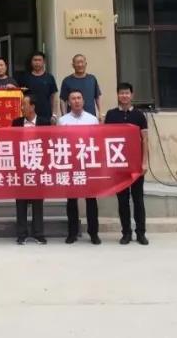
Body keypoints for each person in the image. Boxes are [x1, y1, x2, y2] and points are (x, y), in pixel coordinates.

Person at [104, 82, 150, 246]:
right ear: (117, 95)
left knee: (138, 200)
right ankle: (126, 233)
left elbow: (145, 140)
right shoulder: (111, 115)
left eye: (127, 93)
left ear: (132, 95)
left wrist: (144, 162)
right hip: (119, 165)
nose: (124, 96)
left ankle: (141, 233)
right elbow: (105, 139)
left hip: (136, 165)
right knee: (122, 200)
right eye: (121, 93)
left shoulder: (139, 115)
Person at [59, 90, 101, 245]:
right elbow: (59, 142)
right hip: (71, 164)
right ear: (68, 103)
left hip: (88, 163)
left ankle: (93, 233)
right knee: (71, 200)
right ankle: (72, 232)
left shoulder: (92, 119)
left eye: (79, 98)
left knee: (91, 200)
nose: (76, 101)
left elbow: (97, 141)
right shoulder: (62, 121)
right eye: (73, 99)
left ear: (83, 101)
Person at [12, 94, 48, 245]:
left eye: (24, 104)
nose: (22, 107)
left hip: (38, 166)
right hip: (21, 167)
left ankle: (38, 233)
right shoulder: (16, 123)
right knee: (21, 201)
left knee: (37, 201)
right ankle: (21, 233)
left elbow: (49, 144)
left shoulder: (45, 123)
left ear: (32, 106)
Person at [19, 51, 59, 125]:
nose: (37, 62)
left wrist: (54, 115)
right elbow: (20, 96)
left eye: (39, 60)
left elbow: (53, 97)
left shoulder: (49, 77)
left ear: (44, 62)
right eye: (35, 60)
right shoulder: (25, 77)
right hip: (29, 115)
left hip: (46, 115)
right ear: (31, 62)